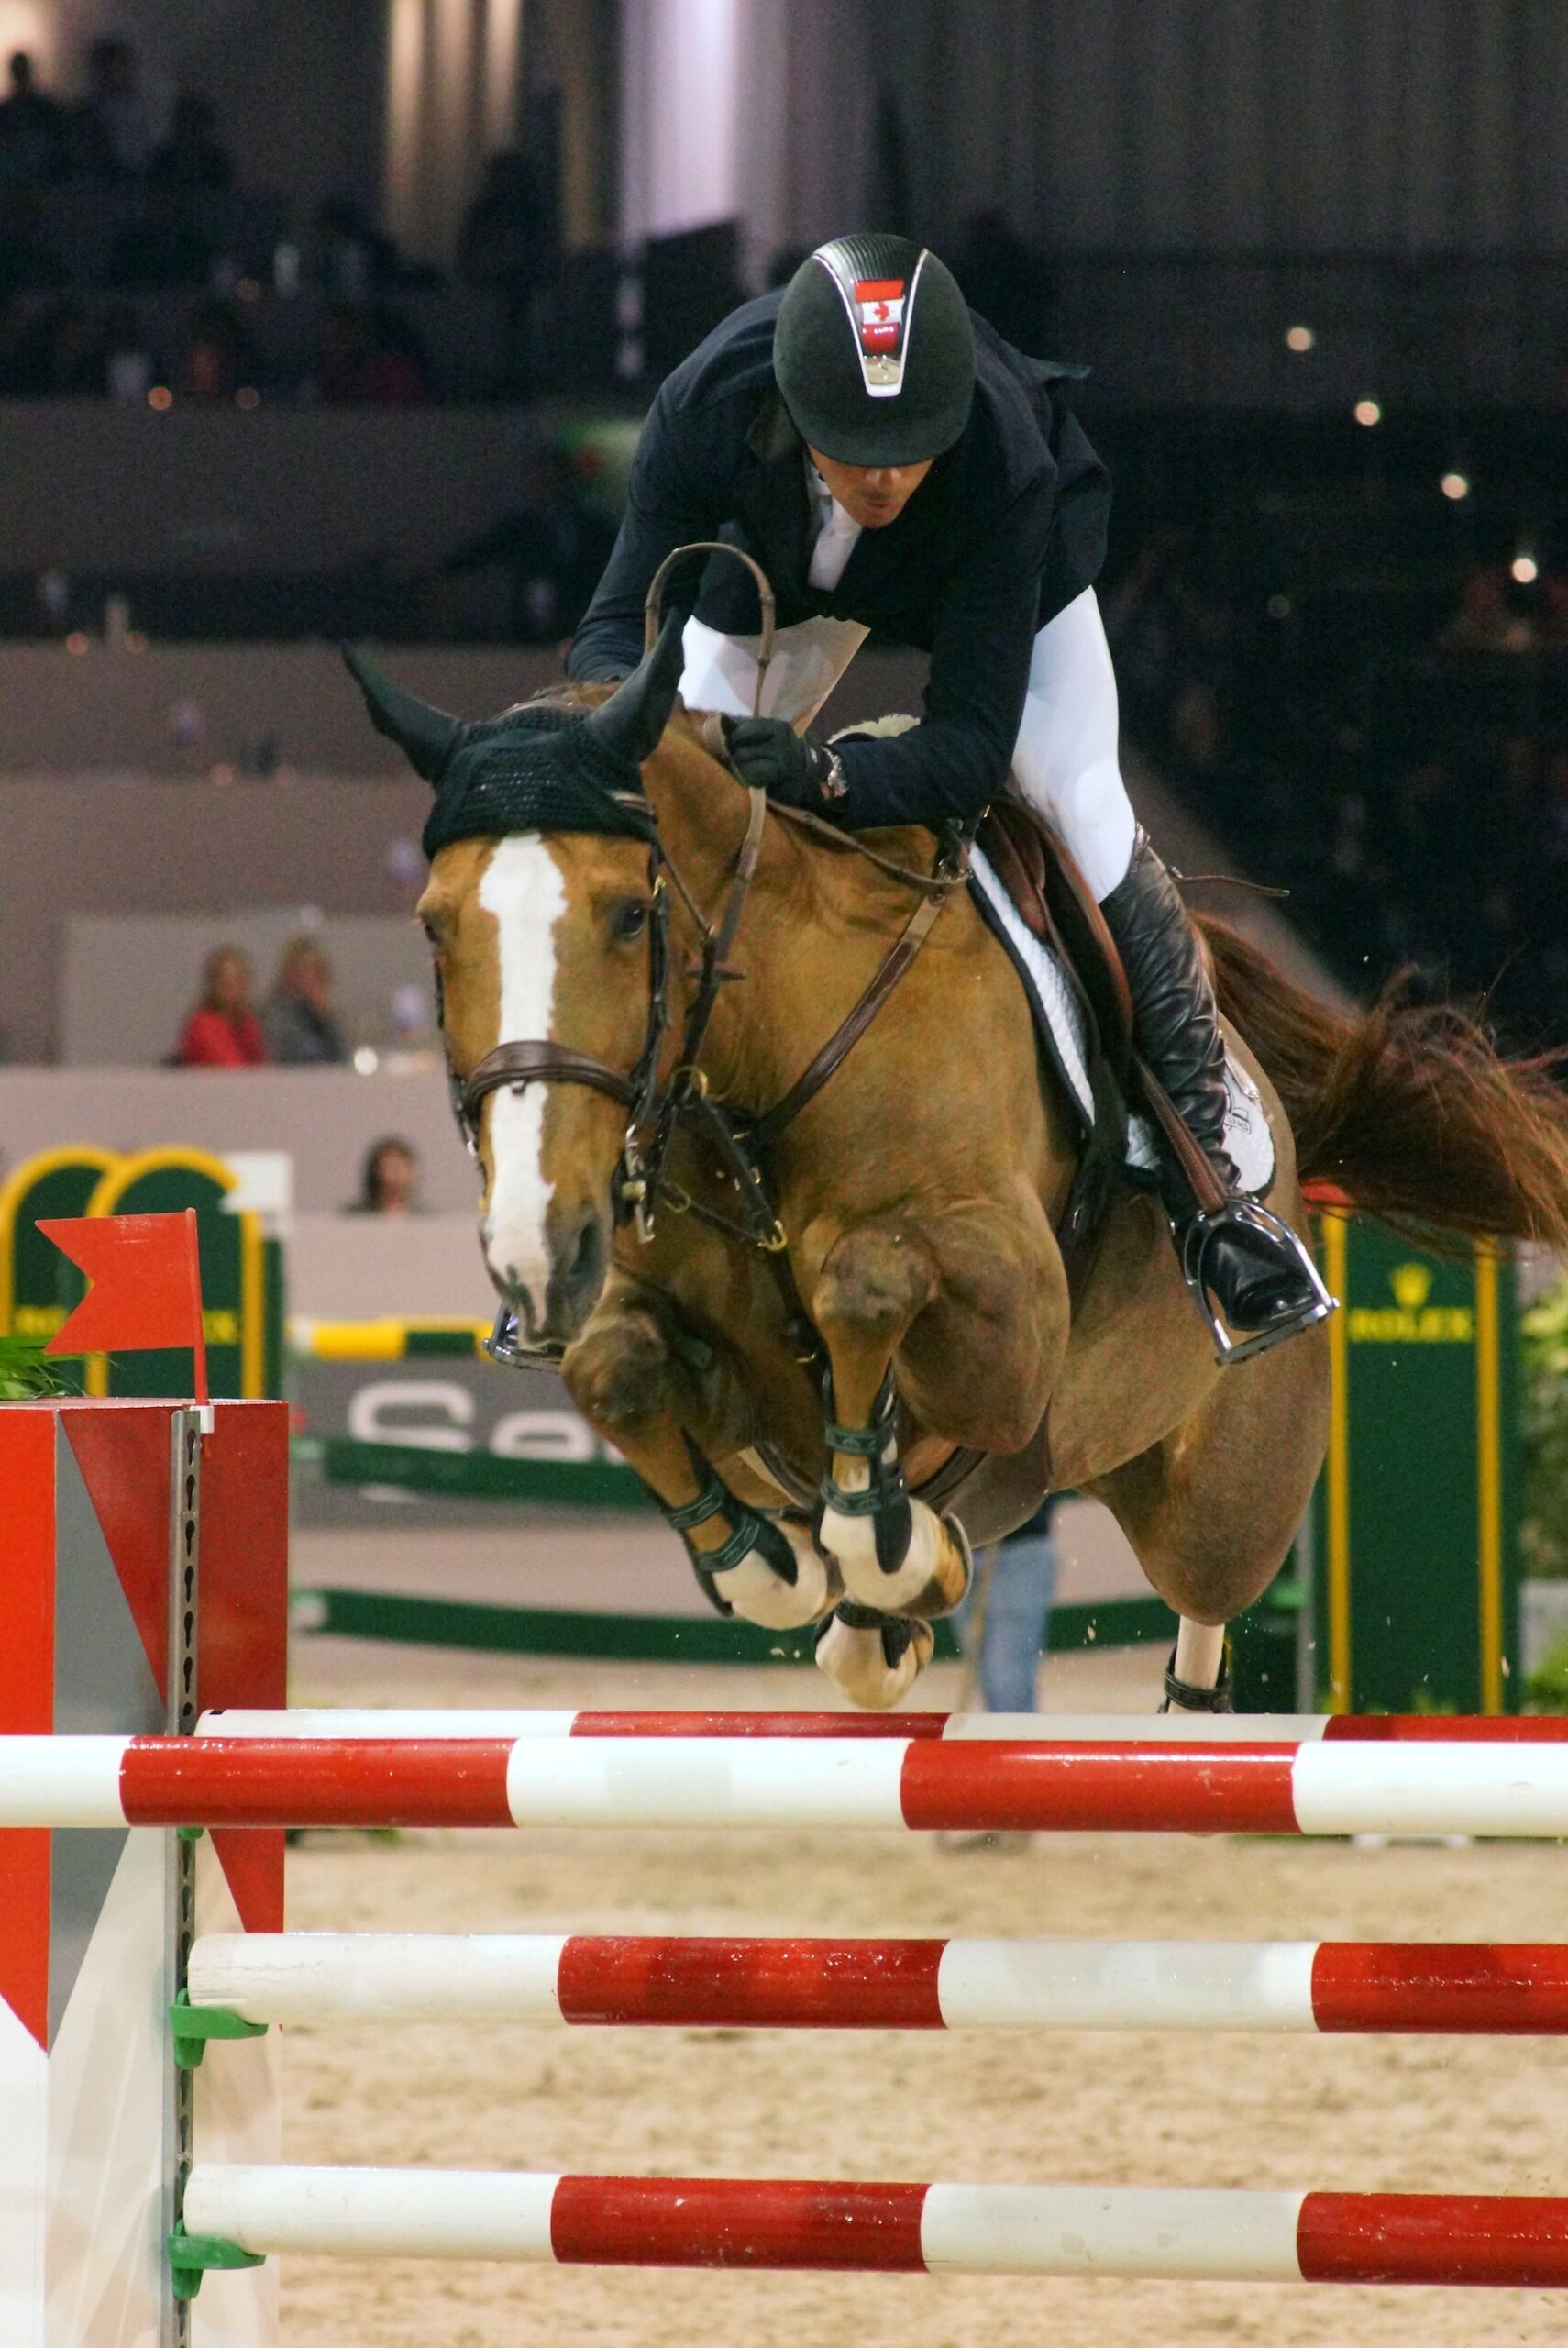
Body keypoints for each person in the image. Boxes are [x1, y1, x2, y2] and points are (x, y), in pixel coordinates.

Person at [569, 232, 1325, 1356]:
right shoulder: (707, 404)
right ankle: (588, 1188)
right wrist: (614, 734)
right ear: (795, 407)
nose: (882, 478)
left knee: (1076, 800)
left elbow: (969, 745)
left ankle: (1214, 1195)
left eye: (905, 448)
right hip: (783, 566)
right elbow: (608, 631)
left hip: (994, 575)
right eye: (854, 447)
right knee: (659, 803)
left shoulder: (997, 453)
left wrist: (830, 775)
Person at [261, 936, 348, 1065]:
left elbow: (344, 1054)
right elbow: (292, 1056)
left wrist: (326, 1018)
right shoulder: (276, 1013)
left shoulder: (323, 1010)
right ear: (289, 974)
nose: (315, 976)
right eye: (307, 969)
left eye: (318, 969)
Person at [176, 947, 266, 1067]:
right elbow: (229, 1068)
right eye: (224, 980)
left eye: (237, 980)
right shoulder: (202, 1024)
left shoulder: (248, 1023)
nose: (231, 987)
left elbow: (263, 1066)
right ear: (212, 984)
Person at [348, 1136, 421, 1214]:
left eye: (400, 1165)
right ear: (376, 1171)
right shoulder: (356, 1216)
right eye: (389, 1165)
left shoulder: (422, 1217)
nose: (396, 1171)